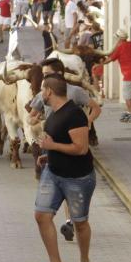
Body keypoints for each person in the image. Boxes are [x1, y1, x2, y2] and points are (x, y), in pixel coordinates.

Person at [32, 74, 96, 262]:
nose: (41, 93)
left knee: (80, 223)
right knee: (41, 215)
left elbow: (81, 148)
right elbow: (58, 141)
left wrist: (53, 148)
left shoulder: (74, 115)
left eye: (43, 89)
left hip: (77, 178)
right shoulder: (54, 113)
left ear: (49, 91)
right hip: (53, 172)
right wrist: (48, 155)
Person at [28, 58, 102, 240]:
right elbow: (30, 117)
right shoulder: (42, 93)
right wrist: (37, 121)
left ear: (59, 74)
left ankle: (71, 221)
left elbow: (95, 108)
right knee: (55, 183)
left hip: (71, 144)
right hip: (50, 144)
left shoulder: (75, 92)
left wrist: (86, 123)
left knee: (70, 181)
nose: (43, 78)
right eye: (43, 75)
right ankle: (57, 216)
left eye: (47, 74)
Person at [103, 28, 131, 122]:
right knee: (130, 94)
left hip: (129, 75)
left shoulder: (119, 48)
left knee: (127, 96)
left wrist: (98, 63)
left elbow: (108, 60)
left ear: (119, 38)